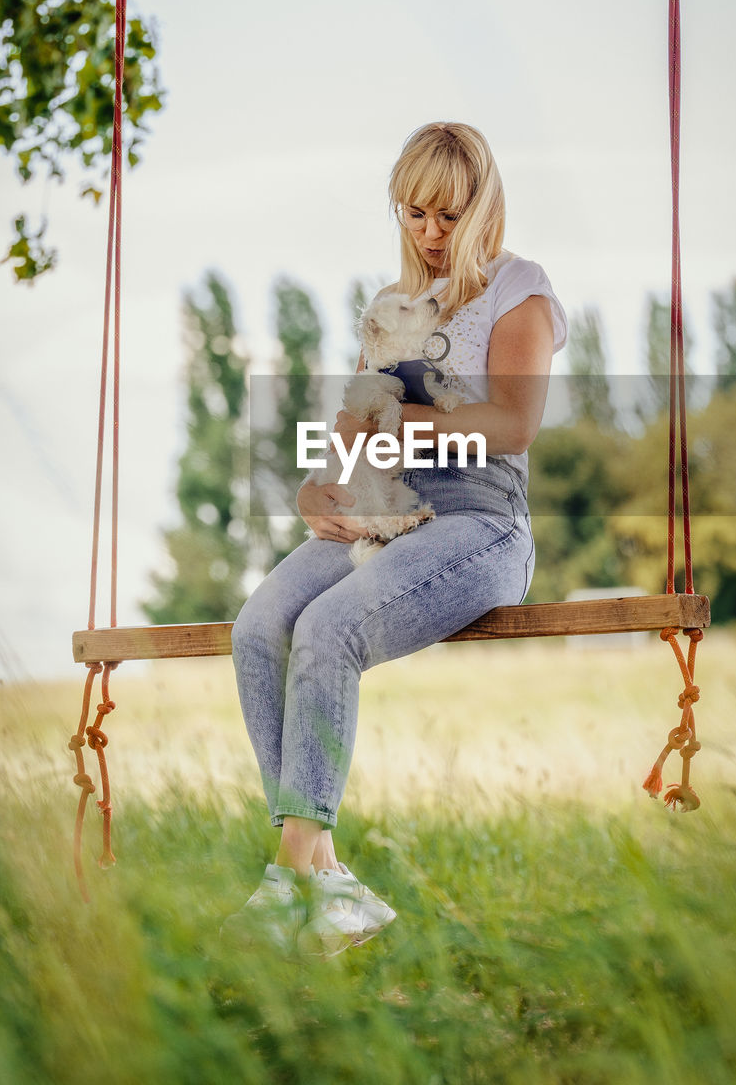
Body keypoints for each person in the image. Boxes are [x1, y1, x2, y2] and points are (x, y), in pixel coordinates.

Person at [228, 122, 567, 957]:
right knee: (259, 628)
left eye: (448, 214)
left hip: (481, 521)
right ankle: (325, 878)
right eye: (415, 213)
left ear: (482, 206)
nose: (430, 232)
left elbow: (515, 424)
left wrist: (406, 424)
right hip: (388, 507)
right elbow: (351, 432)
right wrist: (318, 492)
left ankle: (288, 885)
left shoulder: (520, 289)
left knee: (329, 630)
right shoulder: (390, 310)